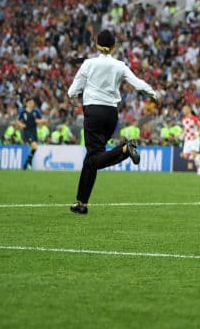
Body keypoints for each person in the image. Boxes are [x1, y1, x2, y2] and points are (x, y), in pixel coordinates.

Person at [66, 30, 160, 214]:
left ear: (96, 44)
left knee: (94, 157)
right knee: (90, 160)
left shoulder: (88, 64)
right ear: (114, 46)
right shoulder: (120, 65)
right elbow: (137, 82)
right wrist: (152, 93)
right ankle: (81, 203)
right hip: (111, 114)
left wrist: (72, 96)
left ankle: (125, 149)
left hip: (93, 112)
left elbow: (73, 90)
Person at [16, 97, 46, 170]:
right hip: (27, 131)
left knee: (34, 148)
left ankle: (27, 164)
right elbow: (18, 121)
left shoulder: (36, 111)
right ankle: (27, 163)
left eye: (32, 103)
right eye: (30, 103)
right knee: (35, 147)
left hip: (34, 131)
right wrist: (21, 125)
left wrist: (38, 121)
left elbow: (42, 120)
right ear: (27, 103)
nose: (32, 104)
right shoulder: (23, 112)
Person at [181, 104, 200, 175]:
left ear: (189, 110)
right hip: (187, 139)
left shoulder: (194, 118)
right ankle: (198, 156)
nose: (183, 111)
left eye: (185, 109)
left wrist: (197, 134)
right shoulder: (184, 119)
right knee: (184, 155)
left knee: (194, 154)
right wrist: (182, 134)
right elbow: (186, 128)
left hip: (194, 139)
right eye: (183, 109)